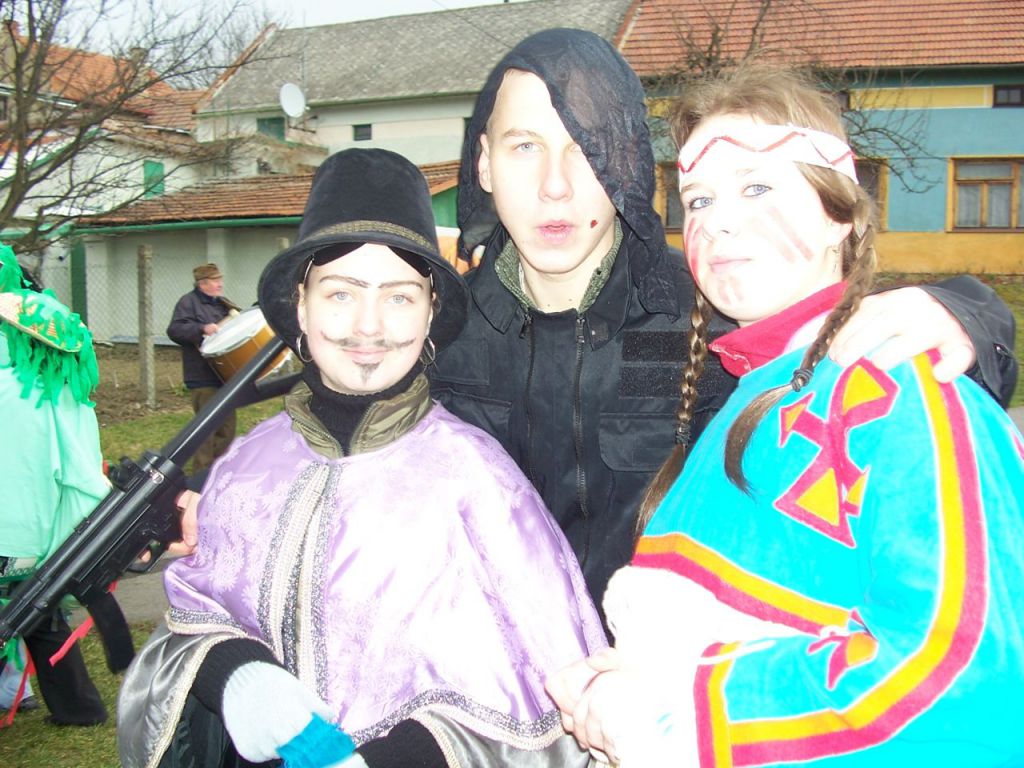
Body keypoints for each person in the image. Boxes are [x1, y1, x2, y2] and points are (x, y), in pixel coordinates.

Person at [431, 28, 1018, 624]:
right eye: (524, 146)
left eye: (588, 147)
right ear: (484, 163)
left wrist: (970, 316)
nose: (554, 186)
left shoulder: (707, 315)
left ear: (625, 164)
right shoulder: (432, 333)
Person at [546, 64, 1024, 766]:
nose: (718, 220)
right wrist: (614, 687)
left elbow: (969, 677)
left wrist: (675, 713)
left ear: (841, 217)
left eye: (757, 188)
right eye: (698, 199)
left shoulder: (903, 385)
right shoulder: (743, 389)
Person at [117, 148, 606, 768]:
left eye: (399, 297)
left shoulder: (479, 481)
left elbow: (543, 688)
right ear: (301, 305)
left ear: (430, 312)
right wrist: (238, 672)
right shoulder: (246, 466)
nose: (368, 327)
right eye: (341, 293)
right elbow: (198, 610)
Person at [0, 246, 112, 726]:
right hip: (39, 526)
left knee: (30, 610)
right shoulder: (55, 384)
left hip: (13, 525)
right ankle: (76, 708)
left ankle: (28, 693)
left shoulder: (20, 381)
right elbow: (77, 458)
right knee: (36, 609)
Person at [167, 262, 241, 473]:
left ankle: (218, 471)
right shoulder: (188, 303)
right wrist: (201, 328)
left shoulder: (223, 304)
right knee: (206, 431)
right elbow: (175, 330)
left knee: (227, 429)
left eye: (220, 280)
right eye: (216, 281)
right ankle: (201, 476)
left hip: (224, 376)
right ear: (203, 284)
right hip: (202, 376)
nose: (220, 284)